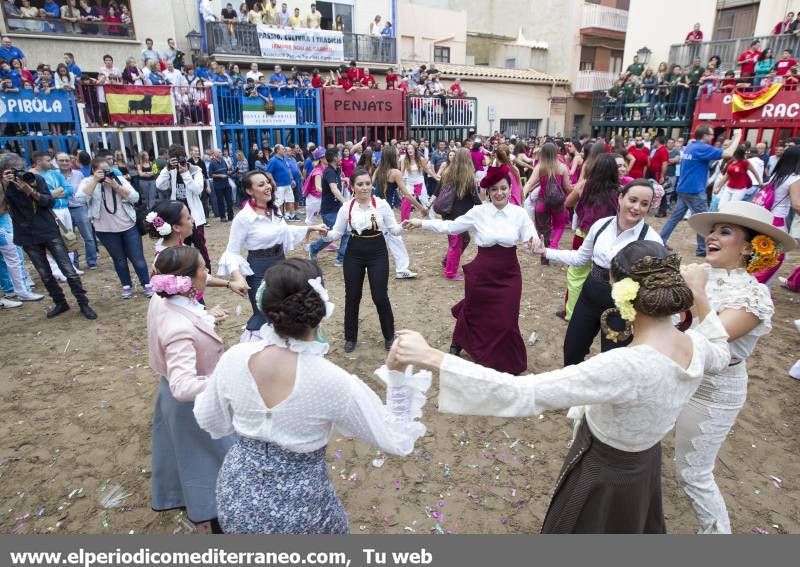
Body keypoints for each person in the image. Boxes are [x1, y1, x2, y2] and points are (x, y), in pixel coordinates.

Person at [389, 241, 732, 533]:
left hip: (603, 471)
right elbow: (722, 348)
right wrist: (700, 296)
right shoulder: (696, 347)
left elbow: (523, 392)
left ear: (622, 292)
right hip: (644, 465)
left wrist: (432, 357)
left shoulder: (626, 366)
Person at [193, 258, 430, 533]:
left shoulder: (235, 357)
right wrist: (398, 377)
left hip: (236, 497)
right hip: (302, 509)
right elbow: (397, 439)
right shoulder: (332, 381)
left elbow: (209, 420)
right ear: (320, 307)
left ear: (265, 304)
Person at [675, 201, 796, 534]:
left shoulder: (755, 295)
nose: (712, 236)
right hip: (677, 374)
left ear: (749, 247)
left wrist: (695, 291)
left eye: (725, 231)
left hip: (712, 390)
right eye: (713, 229)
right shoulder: (696, 274)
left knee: (693, 474)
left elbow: (713, 341)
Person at [404, 166, 538, 375]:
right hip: (482, 273)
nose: (499, 193)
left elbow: (531, 235)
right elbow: (451, 226)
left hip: (509, 275)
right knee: (474, 310)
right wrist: (422, 222)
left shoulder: (519, 214)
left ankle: (507, 362)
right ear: (488, 192)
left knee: (507, 320)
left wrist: (534, 241)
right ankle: (458, 340)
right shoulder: (479, 212)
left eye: (503, 188)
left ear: (510, 189)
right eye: (494, 189)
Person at [146, 246, 234, 534]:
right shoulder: (178, 328)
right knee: (208, 470)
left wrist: (207, 318)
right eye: (203, 269)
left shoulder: (164, 301)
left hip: (169, 398)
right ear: (185, 281)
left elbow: (189, 317)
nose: (207, 273)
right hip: (192, 408)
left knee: (188, 464)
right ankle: (213, 523)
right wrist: (227, 379)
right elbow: (183, 385)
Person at [537, 180, 662, 365]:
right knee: (572, 349)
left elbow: (657, 283)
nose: (636, 208)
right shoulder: (601, 226)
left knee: (612, 362)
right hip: (590, 297)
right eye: (633, 200)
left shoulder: (652, 240)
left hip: (621, 307)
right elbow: (580, 258)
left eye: (644, 204)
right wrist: (546, 251)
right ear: (621, 198)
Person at [218, 171, 327, 341]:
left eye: (267, 182)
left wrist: (311, 228)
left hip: (281, 264)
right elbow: (231, 251)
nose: (268, 186)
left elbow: (283, 230)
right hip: (259, 270)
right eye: (261, 184)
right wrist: (238, 277)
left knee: (285, 311)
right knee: (265, 315)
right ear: (249, 191)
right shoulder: (244, 218)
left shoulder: (274, 209)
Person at [0, 153, 96, 319]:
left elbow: (49, 202)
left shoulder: (35, 179)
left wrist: (29, 190)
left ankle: (83, 303)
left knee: (68, 270)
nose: (18, 173)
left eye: (20, 169)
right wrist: (5, 185)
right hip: (27, 235)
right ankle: (60, 303)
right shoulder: (3, 186)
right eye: (12, 171)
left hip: (48, 230)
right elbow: (1, 209)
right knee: (44, 273)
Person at [320, 169, 402, 353]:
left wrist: (405, 225)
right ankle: (350, 337)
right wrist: (325, 234)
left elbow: (394, 229)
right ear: (353, 187)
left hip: (378, 251)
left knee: (380, 296)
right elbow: (337, 233)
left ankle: (389, 336)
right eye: (360, 184)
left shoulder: (381, 204)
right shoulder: (347, 207)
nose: (365, 188)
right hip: (354, 252)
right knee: (352, 296)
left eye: (367, 183)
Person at [660, 126, 742, 257]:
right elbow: (728, 154)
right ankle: (702, 249)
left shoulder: (691, 146)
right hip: (694, 191)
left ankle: (660, 241)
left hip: (683, 188)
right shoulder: (701, 148)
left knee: (675, 217)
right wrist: (737, 137)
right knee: (704, 220)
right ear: (704, 135)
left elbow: (720, 152)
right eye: (710, 135)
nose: (712, 137)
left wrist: (731, 142)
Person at [77, 157, 152, 299]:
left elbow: (135, 198)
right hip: (105, 229)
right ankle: (126, 285)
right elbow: (80, 198)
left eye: (108, 170)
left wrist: (116, 186)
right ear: (93, 171)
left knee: (137, 258)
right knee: (119, 259)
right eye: (102, 171)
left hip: (127, 226)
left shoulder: (119, 180)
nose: (106, 173)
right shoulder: (87, 182)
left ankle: (146, 284)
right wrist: (95, 181)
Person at [560, 154, 620, 321]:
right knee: (604, 276)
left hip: (584, 235)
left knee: (575, 275)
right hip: (609, 239)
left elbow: (568, 203)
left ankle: (571, 313)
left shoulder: (586, 186)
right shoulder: (619, 192)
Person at [372, 145, 424, 280]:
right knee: (393, 238)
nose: (399, 157)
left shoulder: (379, 170)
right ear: (392, 157)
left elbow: (372, 188)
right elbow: (406, 194)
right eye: (396, 155)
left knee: (388, 238)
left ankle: (399, 268)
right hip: (384, 209)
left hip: (374, 207)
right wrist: (421, 208)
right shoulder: (395, 172)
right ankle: (401, 269)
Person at [156, 145, 212, 270]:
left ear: (185, 157)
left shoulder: (195, 170)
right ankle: (186, 271)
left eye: (181, 159)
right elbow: (160, 185)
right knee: (180, 248)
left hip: (195, 218)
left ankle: (207, 270)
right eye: (174, 159)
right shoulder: (171, 170)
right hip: (177, 217)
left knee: (200, 246)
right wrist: (167, 168)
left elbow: (198, 190)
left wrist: (186, 174)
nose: (179, 163)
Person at [429, 148, 481, 281]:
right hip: (458, 216)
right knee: (456, 244)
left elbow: (437, 190)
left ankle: (447, 262)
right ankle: (450, 272)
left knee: (463, 240)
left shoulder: (448, 172)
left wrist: (429, 205)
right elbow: (476, 199)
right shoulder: (468, 177)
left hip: (449, 214)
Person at [523, 142, 573, 260]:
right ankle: (552, 248)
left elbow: (530, 183)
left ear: (543, 153)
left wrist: (522, 194)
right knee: (559, 226)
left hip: (542, 202)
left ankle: (543, 253)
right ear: (556, 152)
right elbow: (567, 187)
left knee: (542, 229)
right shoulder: (562, 167)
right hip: (558, 203)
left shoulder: (540, 167)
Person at [308, 148, 348, 267]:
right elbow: (334, 189)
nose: (340, 157)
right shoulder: (329, 171)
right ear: (335, 158)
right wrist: (346, 202)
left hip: (336, 208)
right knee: (335, 234)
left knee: (340, 233)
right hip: (330, 210)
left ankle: (340, 258)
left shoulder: (336, 170)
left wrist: (343, 179)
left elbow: (335, 184)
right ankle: (314, 248)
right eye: (339, 155)